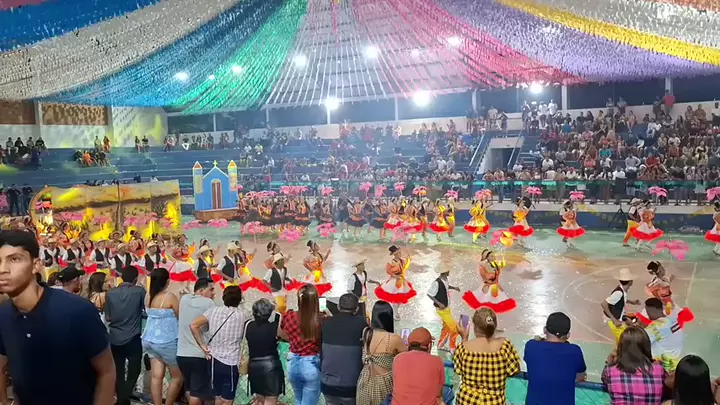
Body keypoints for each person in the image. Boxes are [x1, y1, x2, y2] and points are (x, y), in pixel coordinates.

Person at [0, 230, 115, 405]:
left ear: (36, 265)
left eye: (14, 259)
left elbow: (106, 371)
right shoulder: (3, 314)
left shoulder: (76, 310)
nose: (3, 269)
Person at [190, 285, 246, 405]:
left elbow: (193, 325)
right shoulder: (243, 315)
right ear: (239, 299)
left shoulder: (213, 311)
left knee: (218, 396)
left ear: (223, 297)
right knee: (227, 400)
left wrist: (202, 346)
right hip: (231, 361)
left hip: (213, 359)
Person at [453, 307, 521, 405]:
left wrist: (464, 338)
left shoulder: (463, 347)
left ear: (474, 327)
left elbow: (458, 370)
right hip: (494, 402)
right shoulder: (505, 345)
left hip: (466, 400)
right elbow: (515, 370)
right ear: (494, 326)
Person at [524, 312, 587, 405]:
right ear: (568, 335)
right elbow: (581, 376)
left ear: (545, 330)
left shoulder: (531, 346)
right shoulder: (575, 351)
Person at [105, 265, 147, 405]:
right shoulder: (139, 291)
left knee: (118, 370)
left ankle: (121, 398)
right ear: (135, 279)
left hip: (115, 337)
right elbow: (145, 311)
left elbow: (108, 317)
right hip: (133, 336)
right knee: (134, 370)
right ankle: (124, 397)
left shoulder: (110, 293)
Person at [142, 268, 182, 405]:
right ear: (167, 281)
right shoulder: (169, 297)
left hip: (149, 339)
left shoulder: (148, 296)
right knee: (177, 377)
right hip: (166, 341)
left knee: (156, 376)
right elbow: (179, 316)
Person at [321, 293, 368, 405]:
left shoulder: (325, 323)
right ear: (357, 309)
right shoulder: (361, 323)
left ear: (338, 307)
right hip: (351, 385)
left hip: (328, 384)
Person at [356, 301, 407, 405]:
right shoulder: (394, 338)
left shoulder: (366, 333)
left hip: (365, 382)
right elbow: (407, 359)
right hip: (384, 386)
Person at [281, 284, 324, 405]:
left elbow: (281, 334)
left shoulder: (289, 316)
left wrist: (295, 339)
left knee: (298, 400)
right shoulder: (320, 319)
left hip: (292, 363)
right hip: (311, 364)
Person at [602, 326, 666, 405]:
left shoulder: (610, 371)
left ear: (621, 348)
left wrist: (608, 362)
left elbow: (605, 381)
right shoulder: (659, 370)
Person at [176, 278, 216, 405]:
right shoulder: (209, 303)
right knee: (197, 393)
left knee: (189, 389)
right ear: (201, 291)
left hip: (182, 354)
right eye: (211, 289)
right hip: (199, 355)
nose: (213, 293)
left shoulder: (184, 300)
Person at [388, 327, 452, 405]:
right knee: (447, 392)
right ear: (429, 345)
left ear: (408, 344)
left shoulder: (397, 358)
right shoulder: (437, 361)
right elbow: (438, 394)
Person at [246, 298, 285, 405]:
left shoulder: (249, 325)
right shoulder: (274, 327)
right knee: (270, 400)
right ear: (269, 312)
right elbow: (287, 337)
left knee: (260, 400)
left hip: (254, 366)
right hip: (270, 366)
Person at [641, 298, 686, 372]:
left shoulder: (656, 326)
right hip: (675, 362)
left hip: (661, 365)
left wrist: (635, 327)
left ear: (652, 311)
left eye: (647, 311)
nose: (647, 314)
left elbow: (639, 340)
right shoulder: (674, 320)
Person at [601, 268, 641, 342]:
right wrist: (614, 319)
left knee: (621, 340)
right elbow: (604, 304)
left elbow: (620, 299)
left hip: (618, 318)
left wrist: (632, 302)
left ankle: (619, 348)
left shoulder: (621, 290)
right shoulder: (618, 293)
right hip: (613, 320)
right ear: (630, 282)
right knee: (624, 340)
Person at [428, 269, 461, 352]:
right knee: (454, 328)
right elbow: (430, 294)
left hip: (447, 308)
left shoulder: (445, 279)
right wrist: (439, 303)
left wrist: (454, 288)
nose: (449, 272)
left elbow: (446, 286)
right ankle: (452, 346)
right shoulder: (436, 283)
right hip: (442, 310)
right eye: (448, 271)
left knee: (446, 327)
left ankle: (440, 345)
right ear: (445, 271)